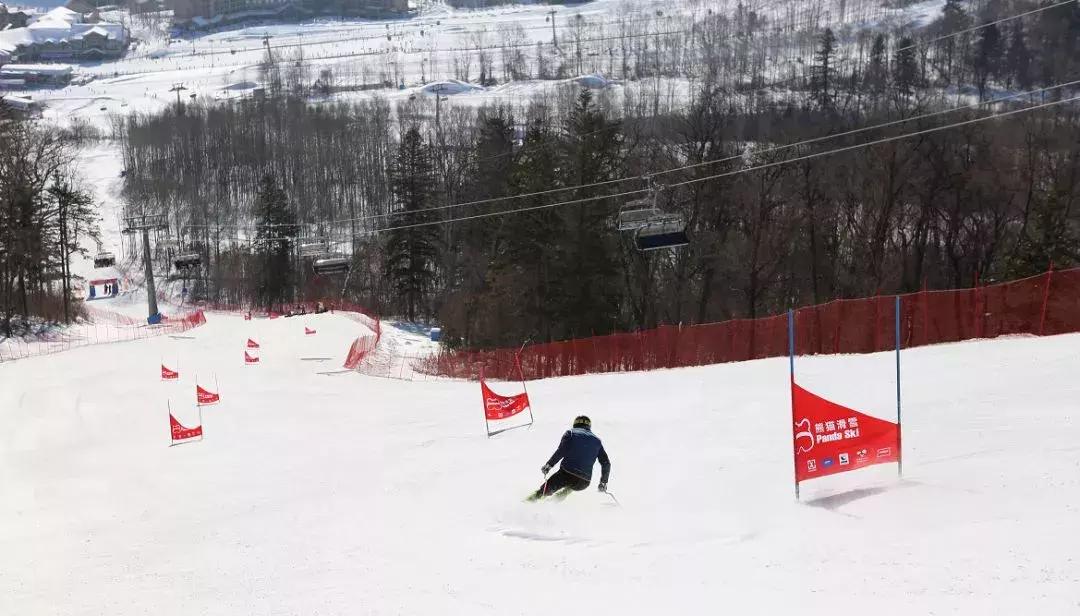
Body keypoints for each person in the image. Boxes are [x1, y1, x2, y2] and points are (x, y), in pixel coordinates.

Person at [529, 415, 611, 501]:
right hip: (584, 481)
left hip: (566, 473)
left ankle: (528, 502)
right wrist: (603, 482)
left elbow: (561, 451)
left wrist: (549, 465)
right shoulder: (597, 441)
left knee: (544, 491)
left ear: (575, 424)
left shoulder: (571, 433)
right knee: (571, 486)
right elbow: (606, 463)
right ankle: (554, 501)